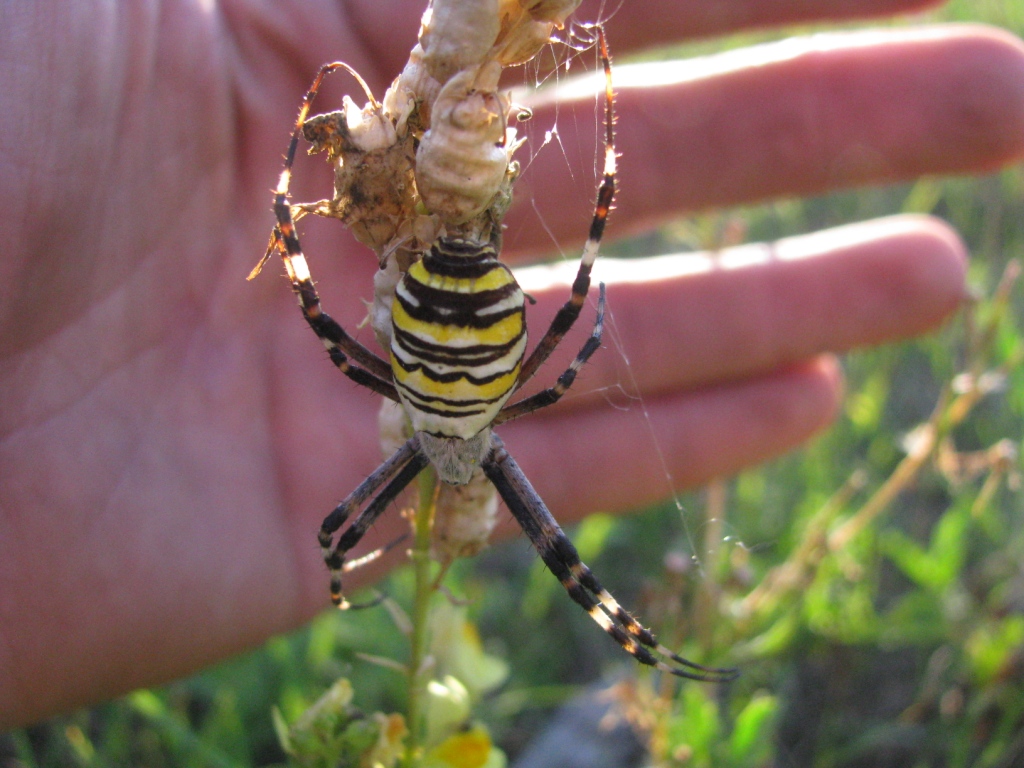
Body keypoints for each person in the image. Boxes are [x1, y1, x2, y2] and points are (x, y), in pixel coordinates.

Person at [2, 0, 1022, 730]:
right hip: (476, 352)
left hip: (438, 344)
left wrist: (292, 220)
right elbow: (564, 329)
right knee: (574, 575)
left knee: (339, 532)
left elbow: (325, 331)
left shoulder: (399, 436)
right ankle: (660, 655)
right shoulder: (506, 429)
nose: (436, 493)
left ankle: (663, 660)